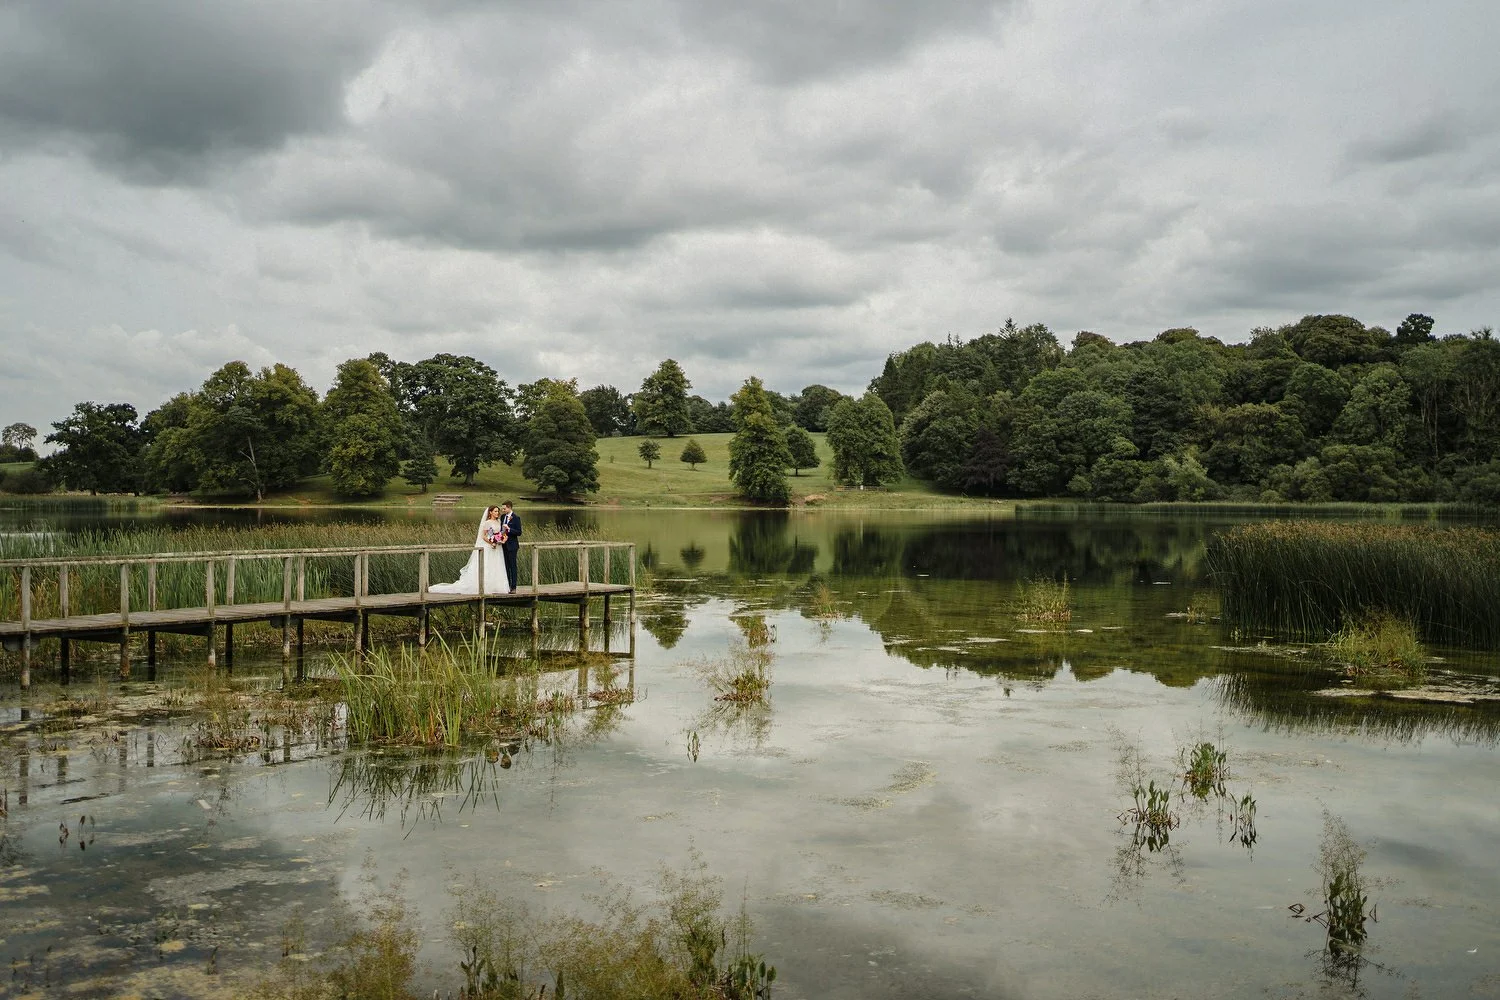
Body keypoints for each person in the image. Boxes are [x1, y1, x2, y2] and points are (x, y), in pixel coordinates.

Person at [429, 505, 510, 594]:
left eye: (498, 511)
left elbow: (499, 533)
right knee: (487, 565)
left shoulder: (498, 521)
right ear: (490, 512)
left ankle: (496, 586)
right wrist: (492, 542)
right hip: (489, 546)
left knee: (496, 565)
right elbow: (485, 536)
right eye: (495, 511)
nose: (497, 513)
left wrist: (502, 538)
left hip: (498, 548)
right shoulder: (487, 523)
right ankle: (485, 586)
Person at [499, 500, 522, 593]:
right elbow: (501, 530)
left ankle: (513, 587)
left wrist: (509, 529)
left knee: (513, 566)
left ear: (509, 507)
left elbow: (519, 532)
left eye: (504, 508)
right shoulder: (503, 517)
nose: (503, 510)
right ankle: (507, 586)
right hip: (503, 545)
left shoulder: (516, 518)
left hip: (512, 546)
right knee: (506, 566)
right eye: (502, 508)